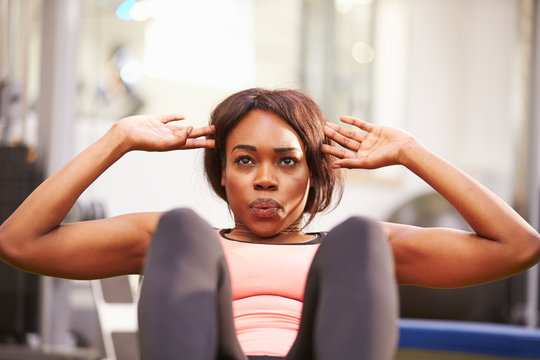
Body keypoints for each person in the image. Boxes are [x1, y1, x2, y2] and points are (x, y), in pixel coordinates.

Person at [0, 88, 539, 360]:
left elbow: (519, 247)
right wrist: (116, 140)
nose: (264, 179)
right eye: (244, 160)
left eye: (286, 160)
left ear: (314, 172)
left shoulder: (361, 252)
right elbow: (18, 242)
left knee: (360, 238)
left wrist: (413, 154)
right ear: (223, 174)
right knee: (182, 229)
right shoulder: (177, 245)